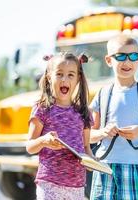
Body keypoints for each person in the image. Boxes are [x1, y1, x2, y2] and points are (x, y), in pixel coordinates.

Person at [89, 35, 138, 200]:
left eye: (133, 56)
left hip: (137, 167)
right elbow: (88, 135)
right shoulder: (102, 94)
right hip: (104, 167)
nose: (127, 62)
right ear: (109, 60)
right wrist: (103, 132)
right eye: (121, 56)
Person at [26, 52, 94, 200]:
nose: (64, 79)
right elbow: (30, 146)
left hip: (77, 186)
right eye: (59, 74)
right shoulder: (42, 109)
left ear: (78, 79)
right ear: (49, 77)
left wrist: (93, 163)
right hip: (49, 184)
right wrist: (44, 141)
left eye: (70, 75)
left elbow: (87, 148)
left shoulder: (84, 113)